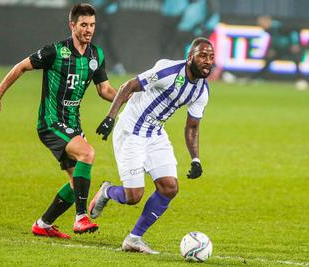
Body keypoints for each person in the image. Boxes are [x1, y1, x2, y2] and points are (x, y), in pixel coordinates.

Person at [0, 3, 117, 239]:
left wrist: (127, 98)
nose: (88, 30)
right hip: (50, 122)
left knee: (78, 183)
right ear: (72, 25)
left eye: (92, 25)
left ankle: (43, 224)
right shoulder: (55, 51)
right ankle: (80, 218)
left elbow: (104, 89)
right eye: (84, 25)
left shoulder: (96, 55)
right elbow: (20, 67)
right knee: (87, 154)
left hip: (72, 125)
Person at [89, 37, 215, 254]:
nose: (207, 61)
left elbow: (192, 127)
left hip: (155, 134)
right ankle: (107, 192)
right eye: (202, 56)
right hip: (131, 132)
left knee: (169, 188)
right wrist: (110, 118)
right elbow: (128, 85)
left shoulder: (201, 91)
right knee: (133, 196)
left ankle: (134, 239)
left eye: (211, 57)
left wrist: (195, 158)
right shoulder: (168, 70)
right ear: (190, 58)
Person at [252, 16, 308, 89]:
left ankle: (301, 79)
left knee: (296, 62)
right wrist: (272, 49)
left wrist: (295, 43)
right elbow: (274, 39)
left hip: (288, 47)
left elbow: (292, 32)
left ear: (267, 21)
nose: (262, 27)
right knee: (268, 62)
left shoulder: (279, 27)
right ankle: (257, 78)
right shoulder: (270, 29)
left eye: (262, 24)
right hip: (279, 49)